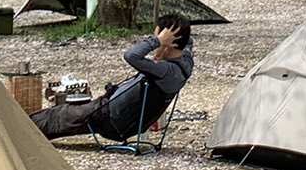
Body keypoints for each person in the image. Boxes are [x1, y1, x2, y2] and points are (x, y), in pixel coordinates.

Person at [31, 13, 195, 142]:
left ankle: (20, 129)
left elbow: (131, 56)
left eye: (158, 39)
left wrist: (157, 41)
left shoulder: (165, 70)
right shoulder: (185, 61)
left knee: (60, 115)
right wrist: (173, 33)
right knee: (70, 109)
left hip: (112, 119)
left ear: (169, 44)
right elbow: (188, 41)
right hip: (124, 118)